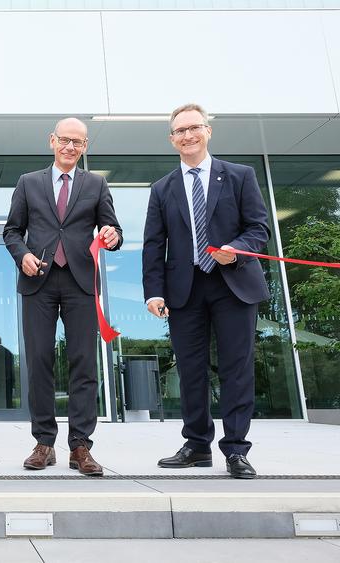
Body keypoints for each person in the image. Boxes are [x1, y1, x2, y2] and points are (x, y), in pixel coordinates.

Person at [142, 103, 270, 479]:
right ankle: (197, 445)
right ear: (172, 139)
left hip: (233, 284)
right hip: (186, 289)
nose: (188, 135)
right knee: (191, 370)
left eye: (193, 128)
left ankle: (235, 449)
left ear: (207, 131)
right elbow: (154, 244)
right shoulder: (162, 188)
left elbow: (259, 228)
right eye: (180, 131)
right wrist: (154, 292)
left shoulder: (240, 176)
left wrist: (237, 249)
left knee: (236, 368)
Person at [3, 117, 122, 476]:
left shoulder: (97, 184)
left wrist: (113, 235)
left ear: (85, 147)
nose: (71, 147)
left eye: (79, 142)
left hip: (80, 282)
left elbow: (112, 227)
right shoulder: (28, 183)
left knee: (83, 362)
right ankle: (44, 443)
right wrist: (21, 254)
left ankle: (81, 446)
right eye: (65, 140)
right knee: (38, 360)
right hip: (37, 279)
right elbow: (12, 230)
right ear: (52, 141)